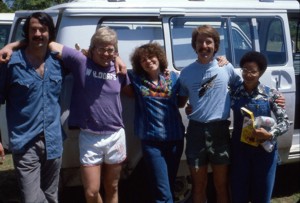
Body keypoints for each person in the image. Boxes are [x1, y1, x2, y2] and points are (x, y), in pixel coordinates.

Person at [48, 27, 130, 203]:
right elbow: (52, 45)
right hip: (89, 136)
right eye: (101, 48)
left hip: (115, 135)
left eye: (110, 49)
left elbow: (131, 92)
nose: (106, 53)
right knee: (92, 191)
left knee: (113, 187)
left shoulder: (118, 70)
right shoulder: (81, 62)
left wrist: (118, 58)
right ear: (92, 48)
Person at [0, 12, 64, 203]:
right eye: (33, 30)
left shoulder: (59, 62)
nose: (37, 34)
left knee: (51, 196)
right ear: (26, 33)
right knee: (31, 199)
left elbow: (89, 59)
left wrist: (117, 58)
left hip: (53, 141)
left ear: (49, 33)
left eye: (42, 30)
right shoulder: (10, 63)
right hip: (25, 141)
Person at [178, 25, 242, 203]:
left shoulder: (226, 67)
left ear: (215, 45)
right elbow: (181, 101)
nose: (204, 46)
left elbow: (246, 89)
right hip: (196, 132)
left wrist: (274, 97)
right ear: (194, 46)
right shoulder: (186, 73)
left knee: (221, 185)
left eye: (208, 42)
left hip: (219, 130)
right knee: (199, 186)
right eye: (200, 42)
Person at [122, 42, 185, 203]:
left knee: (168, 186)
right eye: (143, 60)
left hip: (175, 139)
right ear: (139, 64)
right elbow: (119, 71)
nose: (148, 61)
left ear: (159, 58)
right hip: (152, 142)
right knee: (163, 191)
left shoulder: (173, 77)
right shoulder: (136, 79)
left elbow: (181, 102)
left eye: (151, 57)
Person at [230, 51, 290, 203]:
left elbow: (285, 122)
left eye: (253, 71)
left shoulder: (271, 94)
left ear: (261, 72)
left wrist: (270, 135)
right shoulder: (233, 93)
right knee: (238, 196)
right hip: (240, 152)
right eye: (245, 70)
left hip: (264, 153)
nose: (248, 74)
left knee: (262, 197)